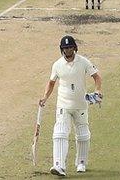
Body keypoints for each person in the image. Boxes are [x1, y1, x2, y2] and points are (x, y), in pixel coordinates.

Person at [39, 35, 103, 177]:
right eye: (65, 48)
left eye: (70, 47)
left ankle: (81, 162)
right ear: (62, 49)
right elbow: (51, 83)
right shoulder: (57, 65)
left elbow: (97, 77)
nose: (68, 50)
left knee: (83, 135)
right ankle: (59, 165)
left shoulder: (83, 62)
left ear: (74, 47)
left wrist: (98, 90)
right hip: (63, 104)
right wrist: (45, 97)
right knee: (60, 132)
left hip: (80, 104)